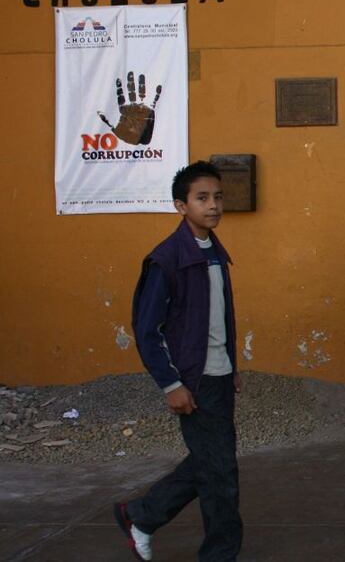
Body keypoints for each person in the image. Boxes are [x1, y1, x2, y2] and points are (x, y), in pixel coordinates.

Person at [115, 161, 242, 561]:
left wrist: (231, 367)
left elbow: (219, 317)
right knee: (220, 475)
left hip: (219, 377)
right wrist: (172, 384)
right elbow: (147, 330)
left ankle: (139, 515)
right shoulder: (167, 259)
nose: (213, 205)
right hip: (193, 380)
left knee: (212, 464)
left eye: (218, 197)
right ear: (180, 206)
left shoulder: (214, 251)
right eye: (202, 198)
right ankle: (219, 553)